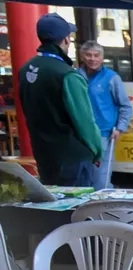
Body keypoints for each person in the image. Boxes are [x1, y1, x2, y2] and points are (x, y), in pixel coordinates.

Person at [18, 13, 102, 187]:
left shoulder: (25, 69)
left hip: (44, 155)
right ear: (66, 39)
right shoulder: (67, 75)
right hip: (73, 158)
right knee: (76, 211)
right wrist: (97, 150)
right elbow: (84, 121)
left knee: (53, 210)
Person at [79, 41, 133, 190]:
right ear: (82, 57)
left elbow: (126, 106)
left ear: (102, 58)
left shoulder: (111, 78)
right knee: (82, 177)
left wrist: (120, 128)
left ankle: (104, 208)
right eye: (88, 55)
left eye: (96, 55)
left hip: (103, 134)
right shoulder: (76, 76)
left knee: (101, 178)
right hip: (79, 135)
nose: (92, 59)